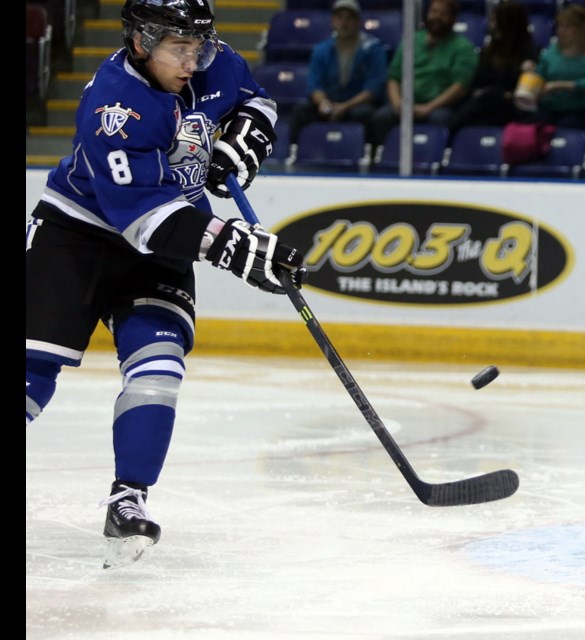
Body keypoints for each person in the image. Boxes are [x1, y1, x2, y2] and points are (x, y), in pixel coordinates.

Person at [25, 0, 304, 568]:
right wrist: (236, 246)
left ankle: (128, 499)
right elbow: (143, 218)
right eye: (179, 47)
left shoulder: (212, 61)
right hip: (80, 235)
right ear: (141, 43)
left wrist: (240, 143)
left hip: (167, 234)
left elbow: (256, 100)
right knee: (32, 367)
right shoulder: (115, 105)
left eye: (198, 44)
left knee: (159, 365)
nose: (193, 58)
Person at [286, 0, 388, 161]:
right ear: (333, 21)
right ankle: (293, 154)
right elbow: (314, 84)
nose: (344, 23)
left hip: (357, 105)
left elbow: (374, 88)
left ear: (358, 21)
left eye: (349, 18)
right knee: (301, 111)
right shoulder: (321, 49)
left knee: (365, 114)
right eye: (340, 17)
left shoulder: (372, 49)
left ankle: (370, 158)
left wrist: (346, 106)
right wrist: (323, 102)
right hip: (330, 103)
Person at [369, 0, 478, 148]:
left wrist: (428, 108)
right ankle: (386, 160)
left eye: (443, 13)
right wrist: (397, 104)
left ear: (453, 18)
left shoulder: (463, 47)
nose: (437, 17)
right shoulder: (411, 40)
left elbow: (460, 86)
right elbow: (394, 76)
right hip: (405, 104)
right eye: (434, 12)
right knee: (381, 117)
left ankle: (433, 160)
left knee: (440, 118)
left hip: (438, 106)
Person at [448, 0, 540, 132]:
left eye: (495, 21)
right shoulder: (491, 49)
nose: (492, 25)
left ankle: (451, 129)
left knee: (489, 96)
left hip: (512, 106)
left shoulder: (529, 52)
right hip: (486, 104)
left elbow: (522, 88)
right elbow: (478, 78)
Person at [520, 3, 585, 134]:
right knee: (529, 126)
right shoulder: (553, 49)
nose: (561, 31)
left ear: (580, 29)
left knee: (566, 128)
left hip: (579, 110)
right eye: (560, 26)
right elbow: (541, 73)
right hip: (550, 107)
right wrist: (531, 71)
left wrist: (561, 86)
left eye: (567, 27)